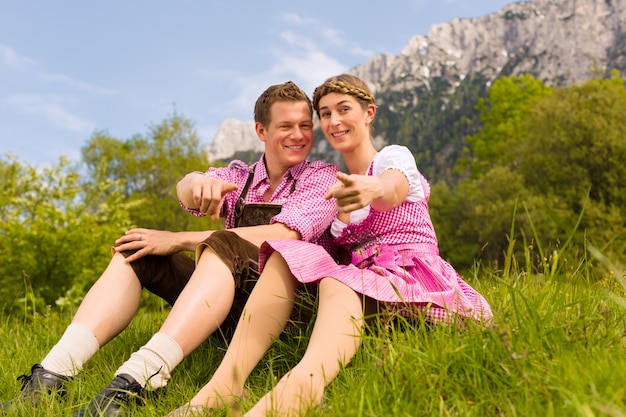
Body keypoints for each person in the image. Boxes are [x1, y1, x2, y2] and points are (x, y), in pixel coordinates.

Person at [0, 81, 339, 417]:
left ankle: (133, 382)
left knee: (222, 242)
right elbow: (186, 189)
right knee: (139, 250)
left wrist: (177, 238)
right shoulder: (241, 175)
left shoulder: (322, 177)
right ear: (261, 130)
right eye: (286, 126)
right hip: (227, 303)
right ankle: (50, 377)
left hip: (286, 313)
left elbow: (284, 233)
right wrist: (196, 182)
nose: (298, 135)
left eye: (305, 126)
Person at [165, 74, 493, 417]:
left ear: (369, 113)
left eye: (344, 109)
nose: (334, 121)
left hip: (411, 279)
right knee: (296, 253)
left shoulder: (391, 160)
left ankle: (298, 389)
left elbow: (393, 187)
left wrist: (374, 188)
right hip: (362, 290)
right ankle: (230, 384)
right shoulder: (329, 186)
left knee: (332, 275)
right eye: (324, 114)